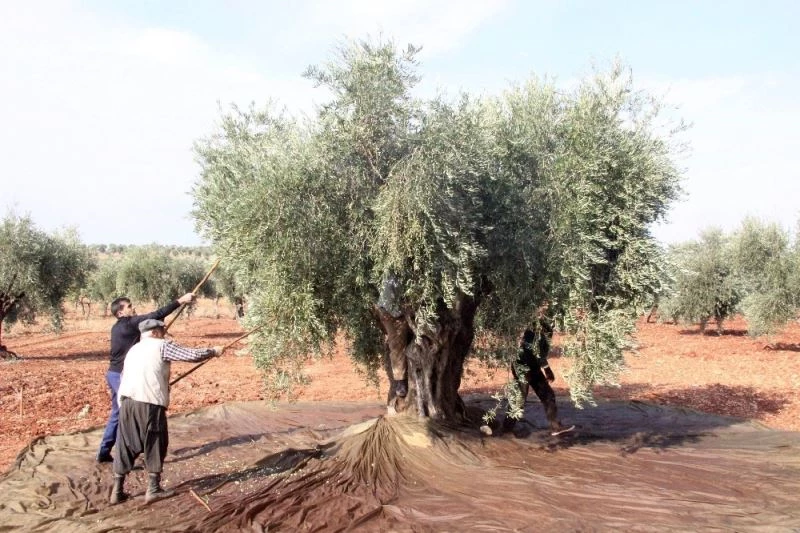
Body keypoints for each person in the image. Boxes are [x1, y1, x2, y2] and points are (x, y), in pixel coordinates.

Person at [109, 318, 222, 504]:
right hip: (149, 403)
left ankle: (117, 492)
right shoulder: (160, 345)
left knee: (125, 444)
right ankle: (153, 490)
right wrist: (213, 351)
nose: (164, 333)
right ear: (154, 333)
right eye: (162, 330)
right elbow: (190, 354)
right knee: (155, 441)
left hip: (128, 402)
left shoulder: (134, 350)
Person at [96, 293, 195, 463]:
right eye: (128, 306)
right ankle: (122, 457)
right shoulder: (129, 324)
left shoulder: (118, 327)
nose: (132, 308)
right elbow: (155, 315)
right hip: (120, 375)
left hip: (113, 374)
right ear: (120, 313)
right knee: (126, 413)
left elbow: (143, 337)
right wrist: (180, 301)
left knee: (118, 413)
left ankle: (105, 452)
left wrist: (157, 333)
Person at [506, 321, 574, 437]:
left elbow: (538, 353)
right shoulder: (535, 331)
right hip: (522, 367)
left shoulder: (541, 329)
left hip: (533, 367)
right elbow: (536, 352)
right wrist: (547, 369)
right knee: (519, 400)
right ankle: (505, 430)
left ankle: (555, 426)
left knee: (548, 395)